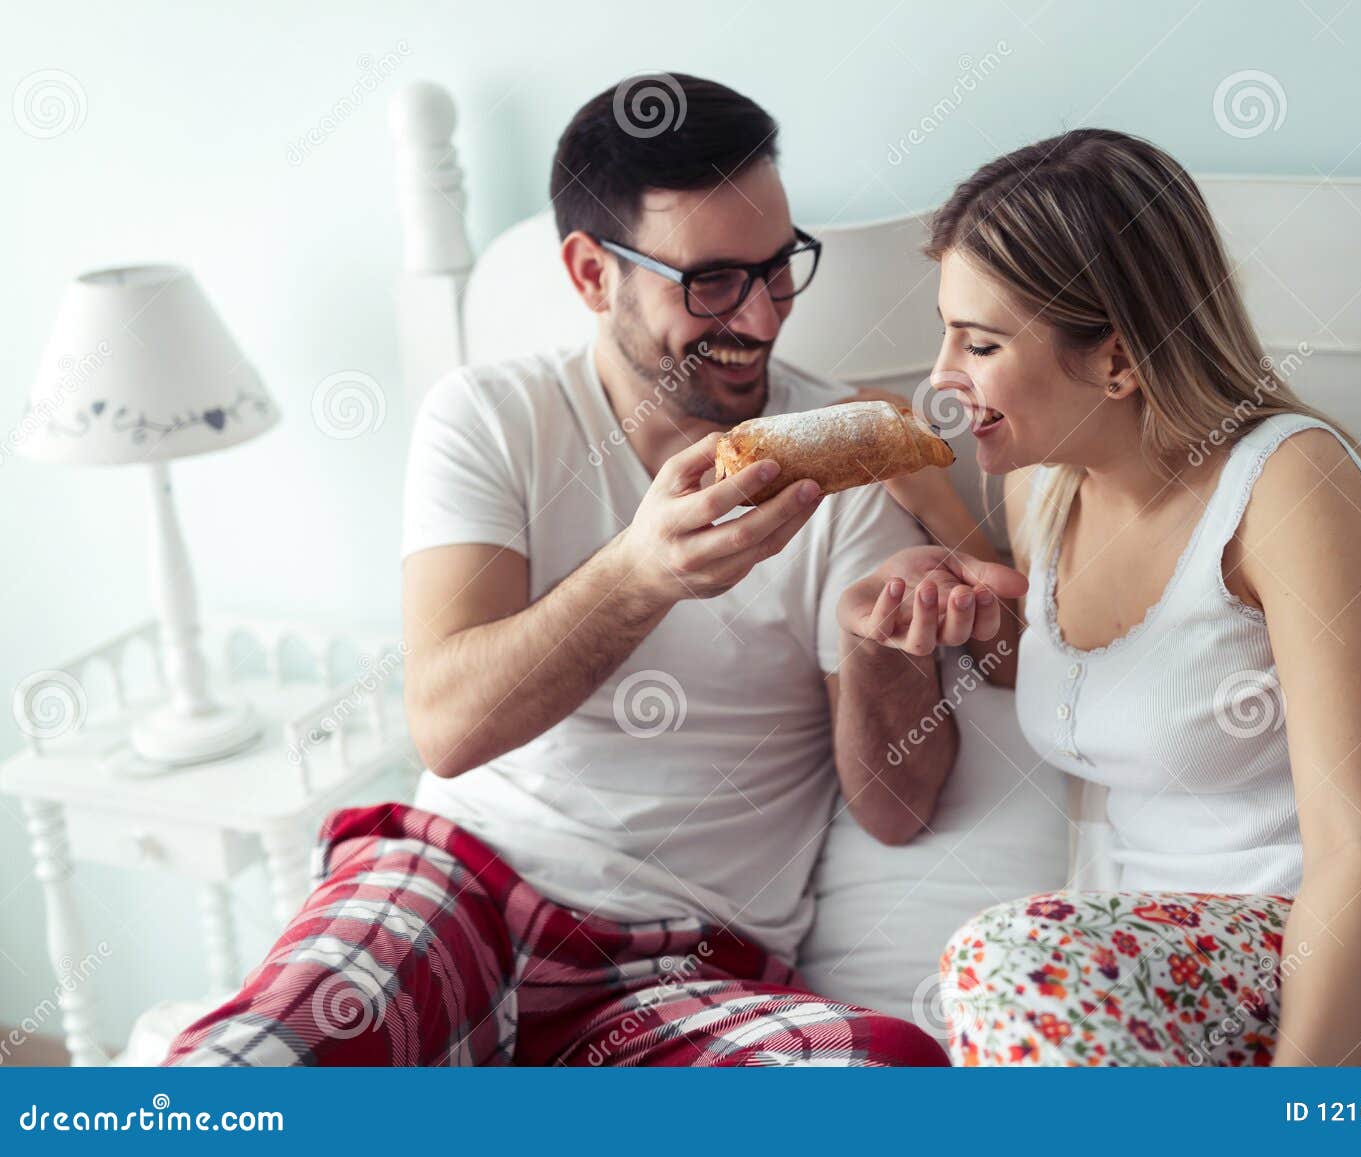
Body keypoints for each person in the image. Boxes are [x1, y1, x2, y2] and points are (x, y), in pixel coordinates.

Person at [164, 73, 1016, 1067]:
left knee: (887, 1072)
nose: (760, 315)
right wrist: (643, 570)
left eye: (778, 266)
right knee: (250, 1069)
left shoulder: (842, 457)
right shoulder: (491, 418)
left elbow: (895, 807)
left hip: (691, 970)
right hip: (457, 886)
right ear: (589, 273)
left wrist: (880, 654)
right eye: (709, 281)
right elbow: (446, 726)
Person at [840, 128, 1361, 1066]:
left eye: (981, 341)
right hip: (1214, 970)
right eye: (945, 331)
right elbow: (1074, 667)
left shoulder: (1290, 489)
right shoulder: (1045, 483)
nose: (941, 375)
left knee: (1007, 962)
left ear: (1118, 361)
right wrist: (932, 521)